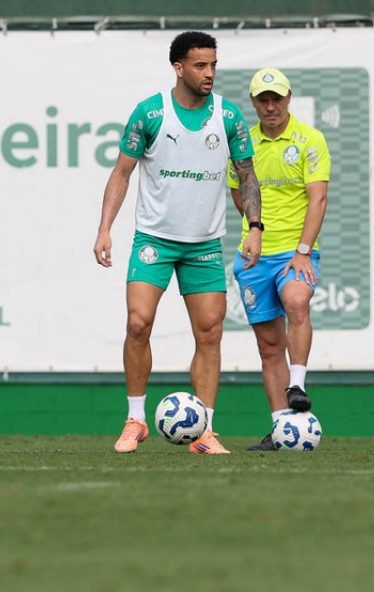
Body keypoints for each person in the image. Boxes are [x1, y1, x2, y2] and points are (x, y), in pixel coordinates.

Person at [94, 31, 263, 455]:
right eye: (200, 66)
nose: (209, 73)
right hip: (155, 239)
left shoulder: (228, 117)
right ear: (179, 68)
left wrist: (255, 227)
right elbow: (121, 173)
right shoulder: (150, 114)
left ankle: (204, 431)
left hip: (204, 244)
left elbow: (246, 175)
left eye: (213, 65)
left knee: (210, 333)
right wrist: (104, 229)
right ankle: (135, 419)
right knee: (138, 322)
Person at [226, 67, 331, 451]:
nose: (270, 106)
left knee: (297, 299)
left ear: (289, 98)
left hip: (295, 251)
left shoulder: (309, 139)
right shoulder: (243, 143)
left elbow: (318, 198)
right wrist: (255, 228)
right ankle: (280, 429)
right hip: (254, 256)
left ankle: (298, 385)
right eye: (263, 100)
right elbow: (239, 196)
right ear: (253, 102)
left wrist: (303, 250)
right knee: (269, 347)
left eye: (277, 98)